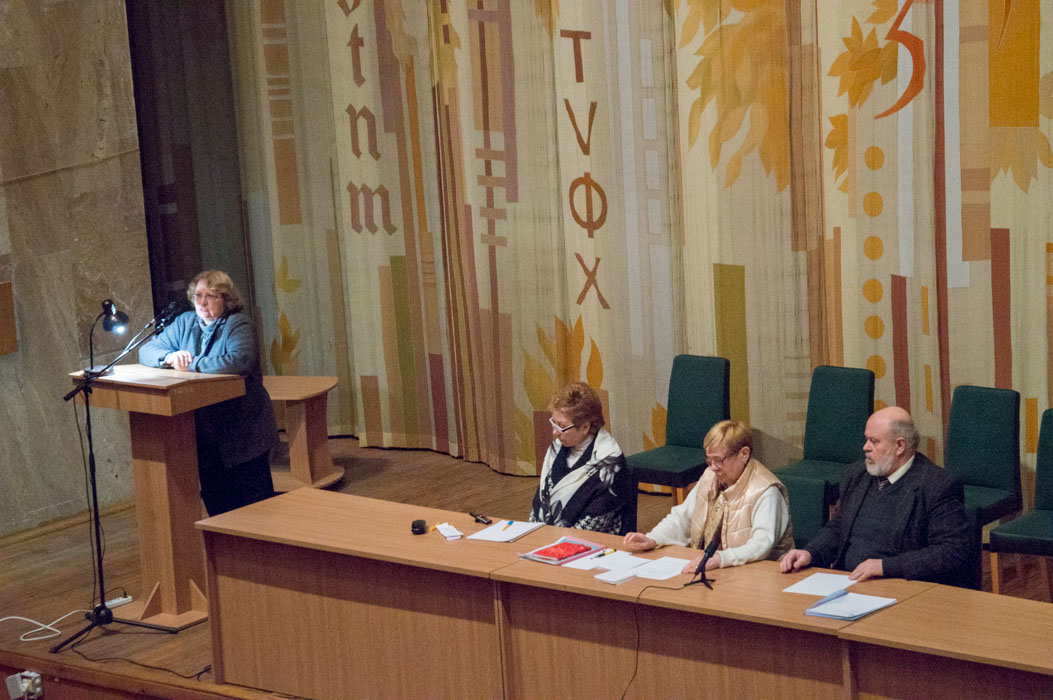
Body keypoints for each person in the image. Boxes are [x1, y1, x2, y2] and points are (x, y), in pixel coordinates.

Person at [779, 406, 971, 586]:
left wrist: (884, 567)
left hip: (898, 585)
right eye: (866, 439)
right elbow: (838, 528)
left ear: (900, 446)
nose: (865, 447)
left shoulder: (937, 485)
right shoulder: (856, 475)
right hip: (847, 582)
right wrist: (811, 553)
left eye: (874, 441)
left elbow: (952, 551)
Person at [139, 270, 278, 516]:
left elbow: (239, 360)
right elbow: (147, 350)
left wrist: (191, 363)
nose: (202, 303)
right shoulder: (185, 322)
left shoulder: (239, 324)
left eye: (211, 296)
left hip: (243, 429)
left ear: (226, 299)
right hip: (205, 431)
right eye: (198, 296)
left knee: (256, 507)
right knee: (219, 506)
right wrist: (169, 357)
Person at [623, 420, 793, 574]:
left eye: (719, 460)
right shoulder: (710, 477)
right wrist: (653, 538)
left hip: (760, 576)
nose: (713, 467)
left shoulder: (766, 490)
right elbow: (681, 518)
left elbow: (761, 545)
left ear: (744, 454)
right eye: (709, 460)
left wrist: (721, 558)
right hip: (719, 569)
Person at [529, 382, 633, 534]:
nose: (554, 432)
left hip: (592, 541)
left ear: (585, 427)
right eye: (554, 423)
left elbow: (591, 526)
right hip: (549, 537)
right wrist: (531, 534)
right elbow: (540, 504)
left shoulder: (610, 463)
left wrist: (547, 538)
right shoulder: (556, 449)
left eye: (561, 426)